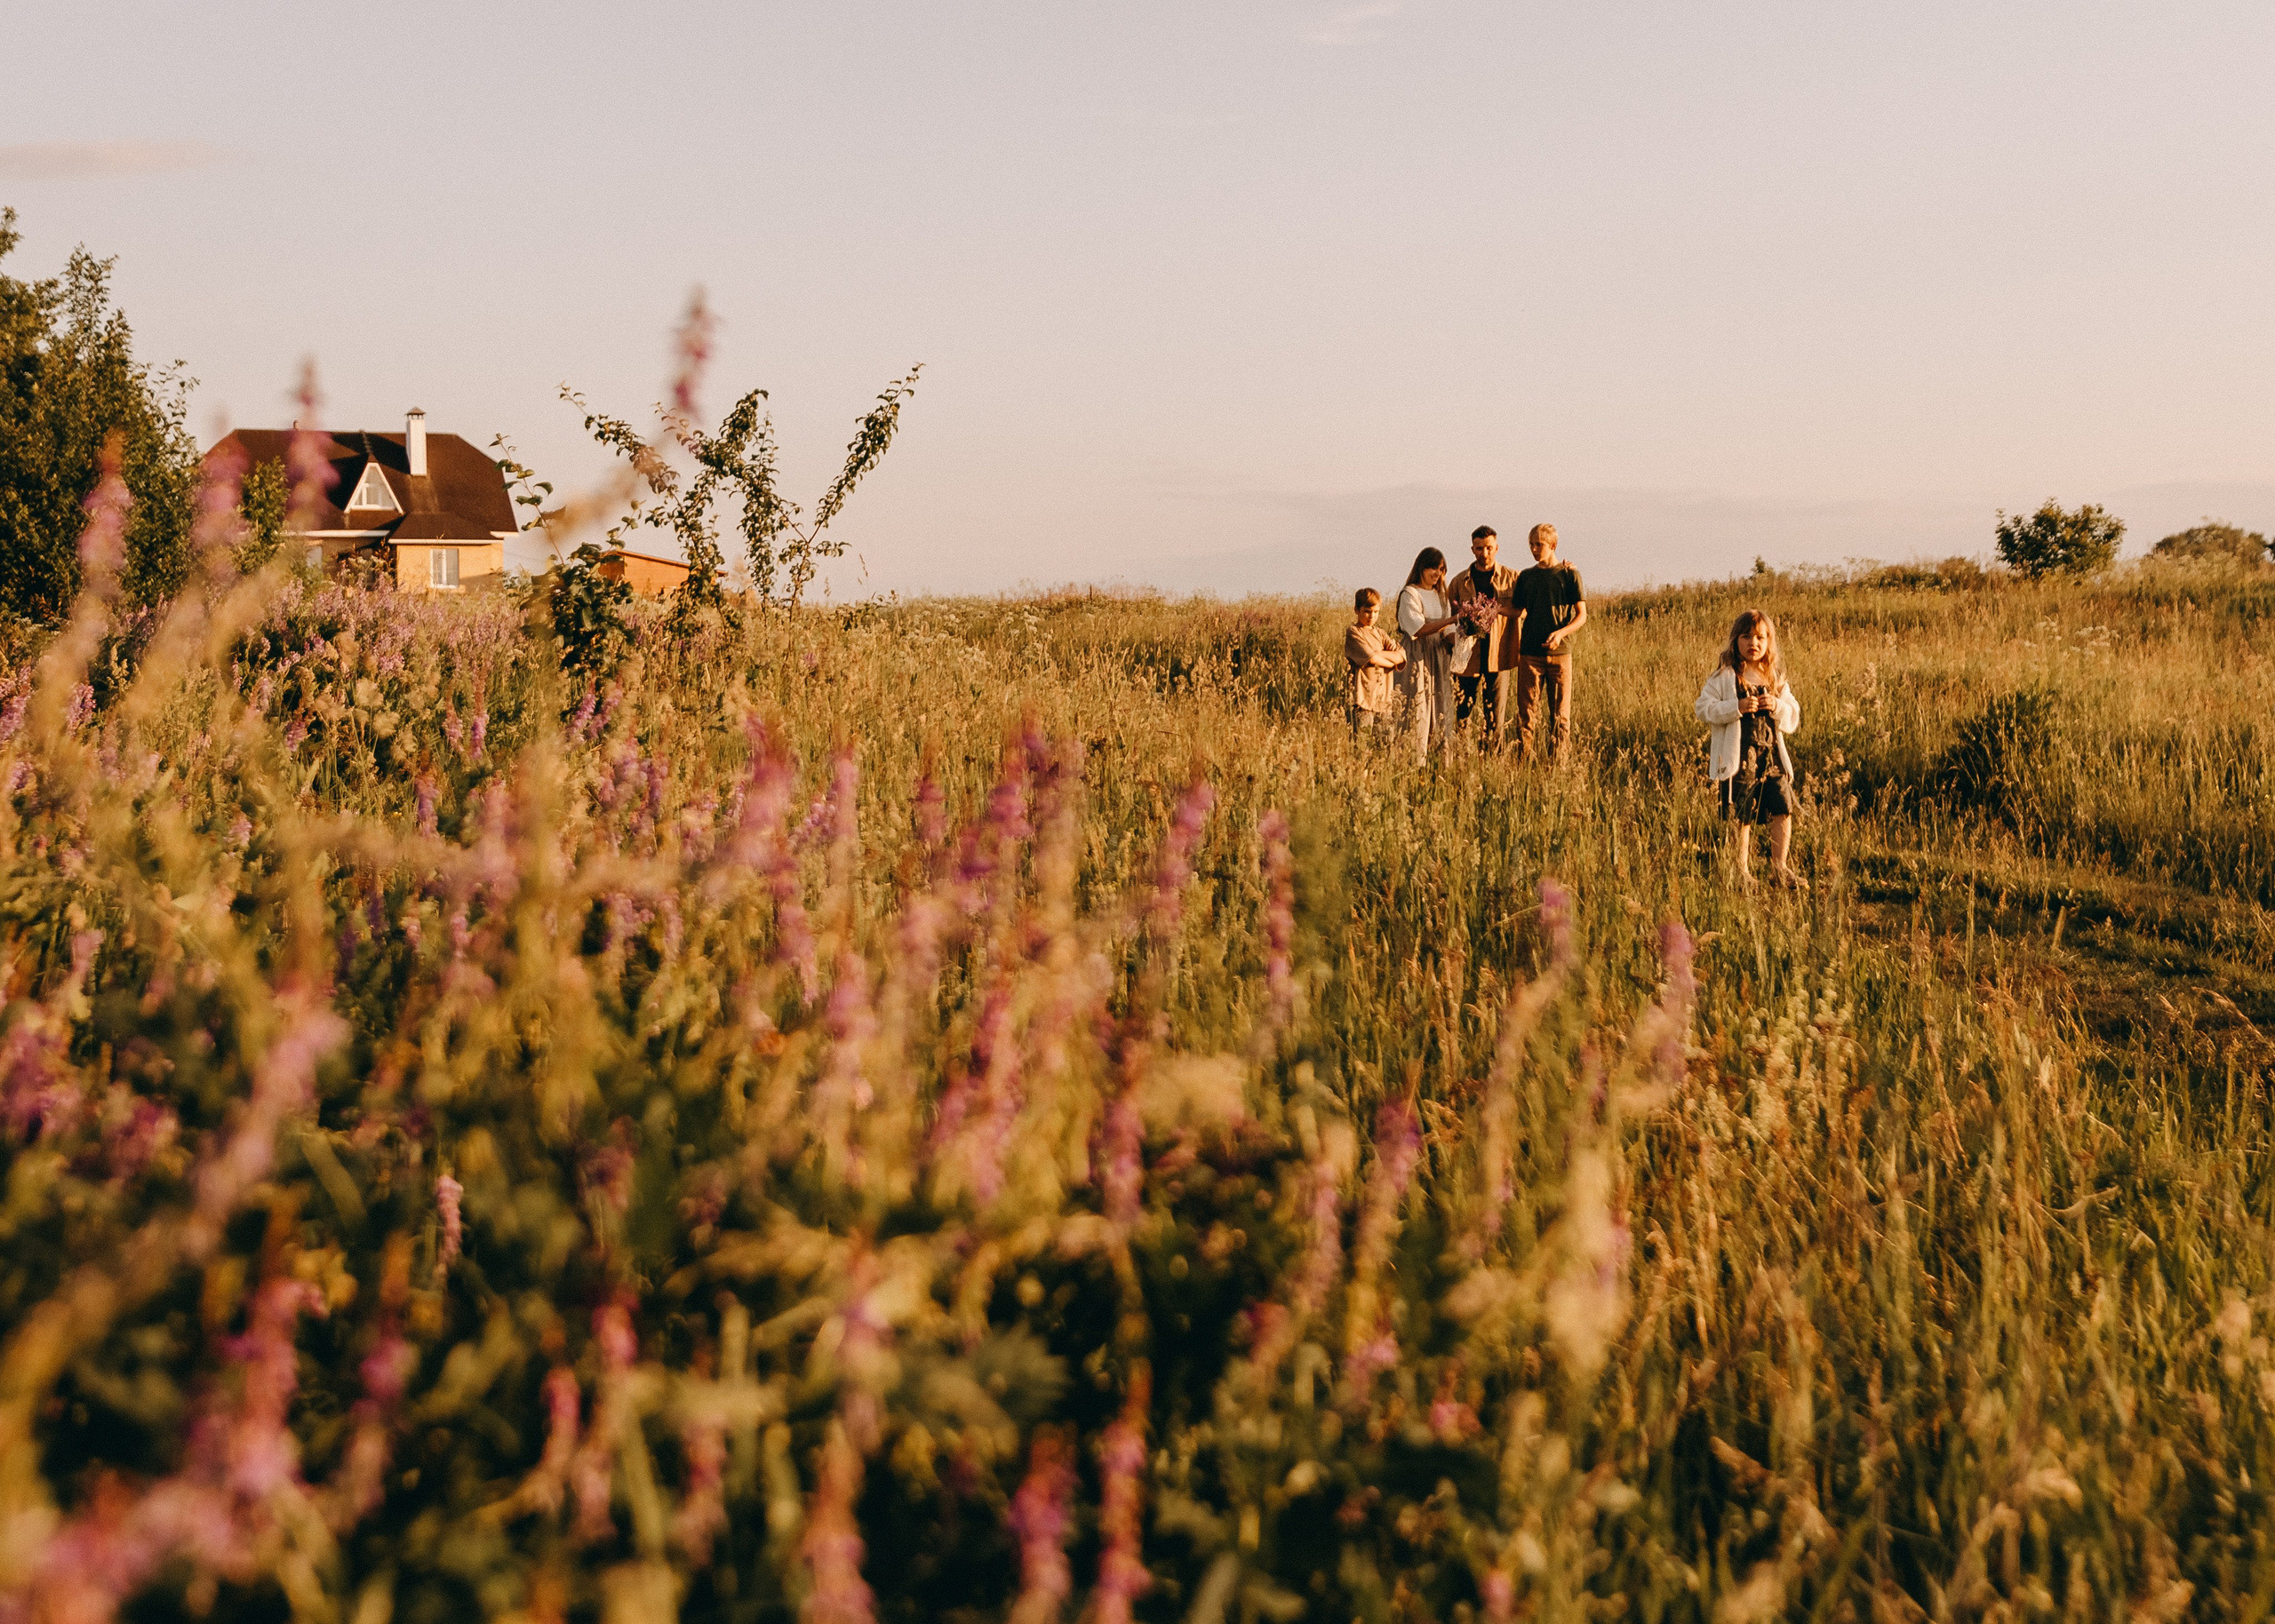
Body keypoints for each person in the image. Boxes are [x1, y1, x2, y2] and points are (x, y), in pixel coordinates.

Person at [1695, 608, 1804, 888]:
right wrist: (1736, 707)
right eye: (1746, 637)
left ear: (1768, 643)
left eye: (1760, 638)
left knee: (1782, 807)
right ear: (1735, 641)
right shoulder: (1724, 676)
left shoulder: (1774, 677)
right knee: (1740, 811)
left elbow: (1793, 712)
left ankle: (1779, 868)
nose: (1753, 643)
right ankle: (1739, 870)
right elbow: (1703, 708)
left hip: (1771, 756)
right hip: (1738, 756)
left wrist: (1777, 705)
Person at [1510, 522, 1587, 762]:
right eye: (1531, 544)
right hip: (1530, 654)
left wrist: (1561, 633)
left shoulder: (1569, 574)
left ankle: (1558, 769)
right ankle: (1522, 765)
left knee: (1561, 717)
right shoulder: (1526, 576)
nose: (1534, 549)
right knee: (1527, 715)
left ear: (1553, 545)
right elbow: (1516, 610)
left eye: (1539, 545)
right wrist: (1489, 611)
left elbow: (1582, 615)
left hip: (1560, 655)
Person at [1447, 525, 1518, 745]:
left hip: (1498, 654)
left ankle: (1493, 762)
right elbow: (1449, 618)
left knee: (1495, 717)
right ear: (1472, 549)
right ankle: (1460, 755)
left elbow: (1521, 610)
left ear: (1496, 547)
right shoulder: (1459, 582)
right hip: (1467, 657)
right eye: (1479, 548)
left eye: (1488, 548)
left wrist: (1495, 611)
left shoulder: (1512, 578)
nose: (1484, 553)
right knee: (1462, 712)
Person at [1394, 548, 1460, 762]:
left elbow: (1449, 631)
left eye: (1441, 570)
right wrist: (1450, 621)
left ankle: (1439, 762)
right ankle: (1414, 762)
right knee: (1418, 708)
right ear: (1421, 567)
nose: (1437, 574)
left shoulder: (1442, 596)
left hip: (1439, 656)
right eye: (1433, 568)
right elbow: (1417, 628)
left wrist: (1465, 639)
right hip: (1418, 655)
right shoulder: (1410, 594)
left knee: (1440, 707)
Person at [1344, 587, 1407, 736]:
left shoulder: (1380, 633)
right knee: (1361, 743)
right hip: (1362, 700)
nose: (1372, 616)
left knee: (1385, 745)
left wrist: (1379, 654)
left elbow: (1402, 656)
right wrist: (1390, 660)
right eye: (1367, 611)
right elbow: (1371, 658)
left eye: (1376, 612)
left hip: (1384, 701)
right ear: (1357, 610)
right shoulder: (1354, 632)